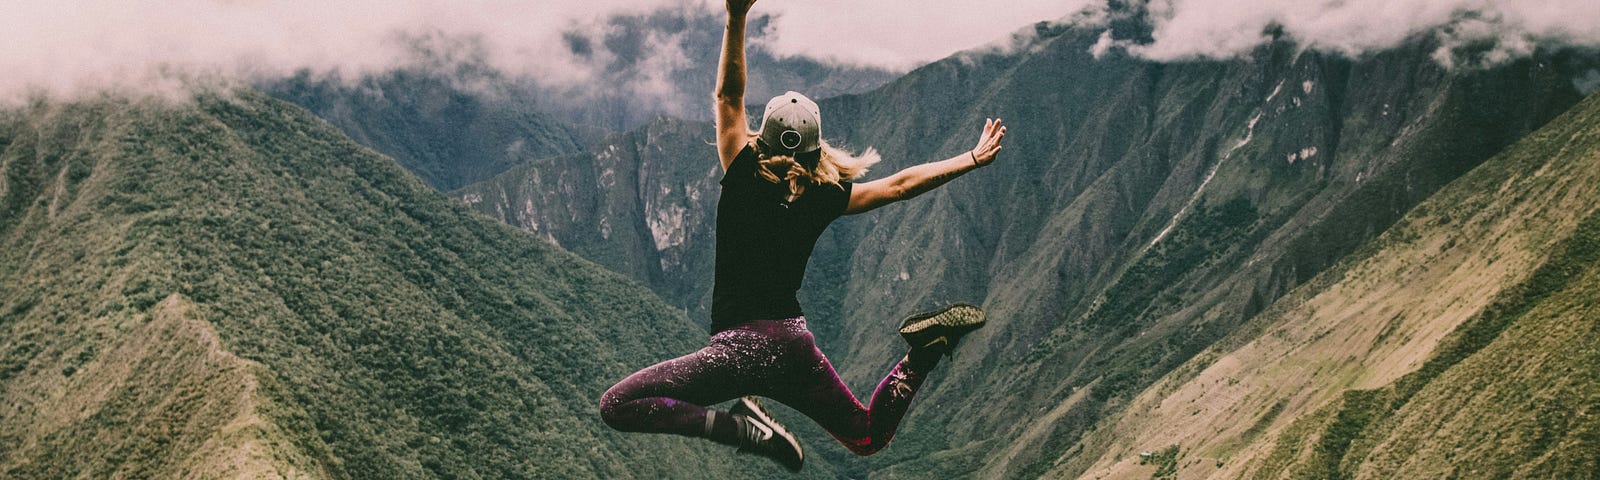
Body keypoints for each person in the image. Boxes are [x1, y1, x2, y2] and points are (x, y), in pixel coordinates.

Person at [599, 0, 1006, 471]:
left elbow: (728, 98)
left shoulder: (742, 170)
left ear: (761, 138)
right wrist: (970, 159)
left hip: (739, 351)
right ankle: (925, 352)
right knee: (867, 435)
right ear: (817, 149)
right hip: (793, 347)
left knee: (617, 405)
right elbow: (899, 186)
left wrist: (736, 17)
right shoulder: (826, 194)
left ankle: (741, 429)